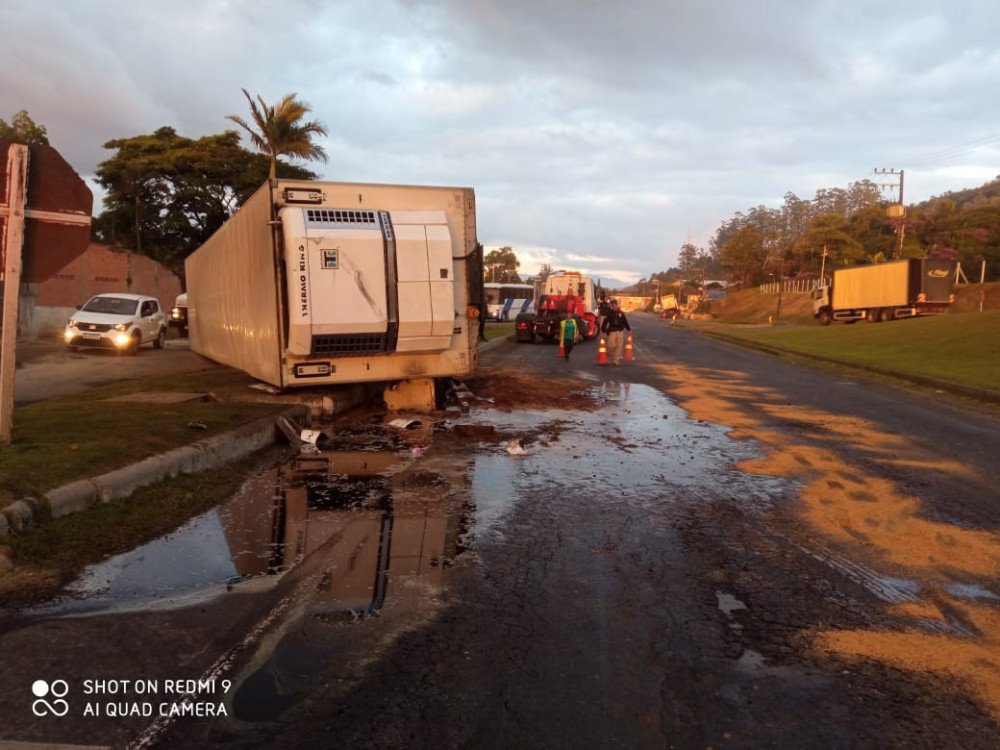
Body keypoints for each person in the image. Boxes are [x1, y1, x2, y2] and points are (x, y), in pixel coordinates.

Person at [601, 299, 631, 366]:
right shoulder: (609, 314)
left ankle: (616, 361)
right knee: (611, 345)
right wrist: (603, 331)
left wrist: (629, 330)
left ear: (617, 305)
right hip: (612, 331)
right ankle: (607, 353)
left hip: (620, 331)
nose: (614, 307)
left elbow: (625, 322)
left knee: (619, 346)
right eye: (613, 306)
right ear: (611, 306)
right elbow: (605, 323)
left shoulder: (621, 313)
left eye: (615, 305)